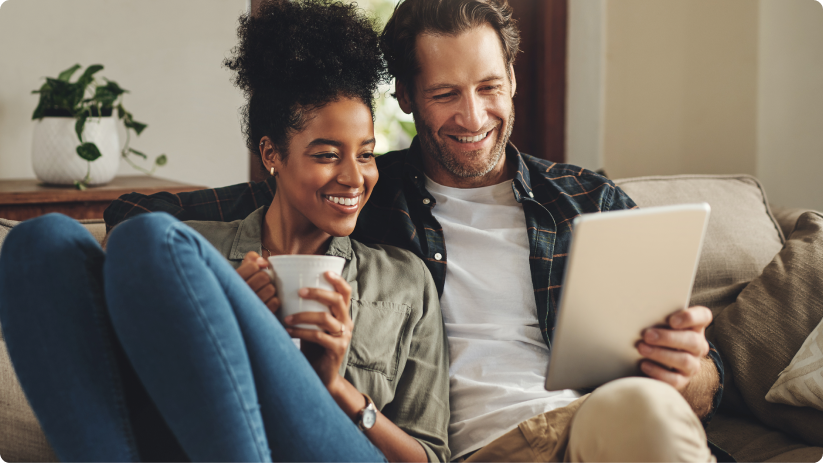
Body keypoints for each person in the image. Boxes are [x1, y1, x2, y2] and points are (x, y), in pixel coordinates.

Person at [102, 0, 729, 462]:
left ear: (512, 77)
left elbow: (707, 385)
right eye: (446, 94)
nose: (474, 115)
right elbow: (141, 224)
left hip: (602, 429)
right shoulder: (366, 193)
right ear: (405, 96)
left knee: (647, 405)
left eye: (488, 87)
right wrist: (226, 282)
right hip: (486, 449)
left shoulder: (589, 201)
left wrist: (688, 369)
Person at [0, 1, 449, 462]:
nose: (355, 178)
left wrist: (334, 387)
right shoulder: (198, 258)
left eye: (367, 154)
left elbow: (430, 457)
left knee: (148, 239)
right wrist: (222, 320)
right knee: (37, 244)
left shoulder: (404, 281)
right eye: (327, 155)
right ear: (272, 154)